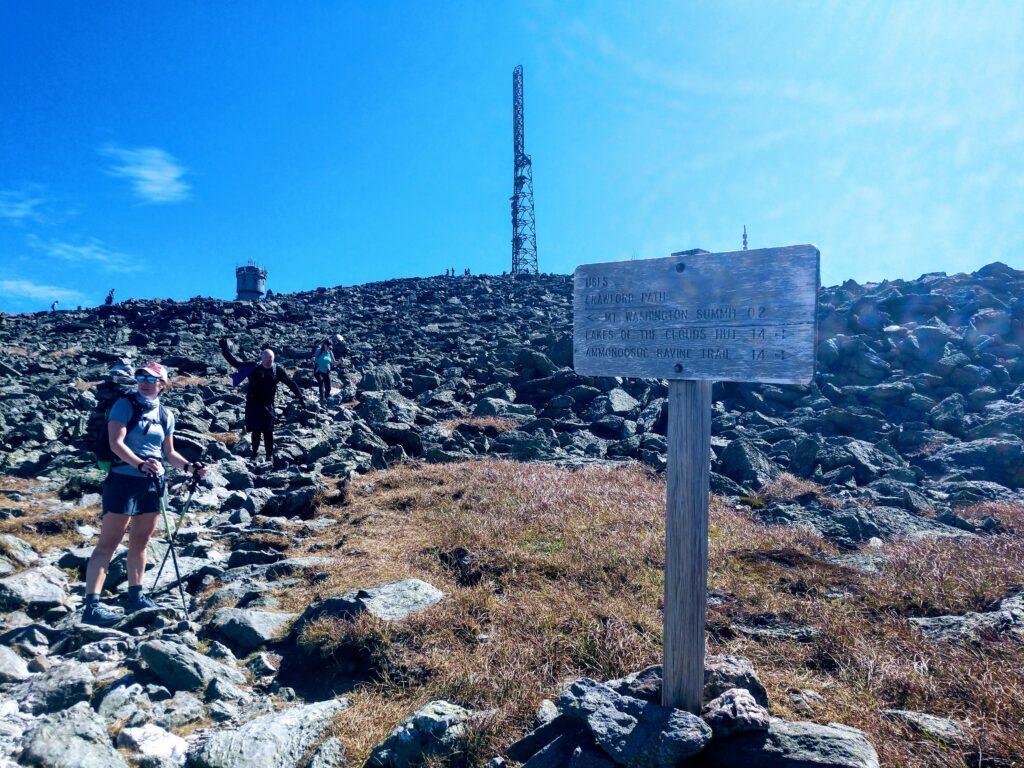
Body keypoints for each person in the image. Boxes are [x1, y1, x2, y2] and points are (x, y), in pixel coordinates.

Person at [82, 362, 208, 626]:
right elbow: (116, 444)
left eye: (152, 378)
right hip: (123, 481)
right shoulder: (124, 405)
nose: (145, 381)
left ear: (163, 384)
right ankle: (91, 606)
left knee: (140, 541)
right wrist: (138, 463)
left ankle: (136, 596)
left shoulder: (165, 415)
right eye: (141, 376)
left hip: (153, 483)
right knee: (108, 543)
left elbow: (169, 453)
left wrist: (188, 467)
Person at [219, 338, 305, 464]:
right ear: (262, 358)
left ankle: (269, 455)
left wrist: (300, 398)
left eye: (271, 361)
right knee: (255, 430)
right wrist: (225, 350)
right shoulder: (253, 366)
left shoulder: (277, 370)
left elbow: (290, 383)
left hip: (268, 405)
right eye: (266, 361)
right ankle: (254, 453)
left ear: (273, 359)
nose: (268, 363)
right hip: (253, 404)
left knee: (268, 431)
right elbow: (235, 363)